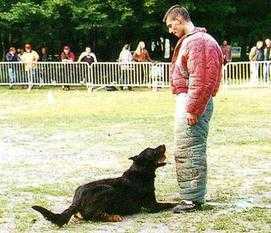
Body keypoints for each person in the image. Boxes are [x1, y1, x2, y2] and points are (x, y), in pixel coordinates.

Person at [163, 5, 223, 212]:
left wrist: (193, 109)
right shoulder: (194, 41)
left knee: (191, 150)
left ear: (180, 20)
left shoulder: (200, 42)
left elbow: (203, 79)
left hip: (193, 102)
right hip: (189, 101)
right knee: (185, 149)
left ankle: (193, 199)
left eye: (171, 25)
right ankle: (190, 194)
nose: (170, 30)